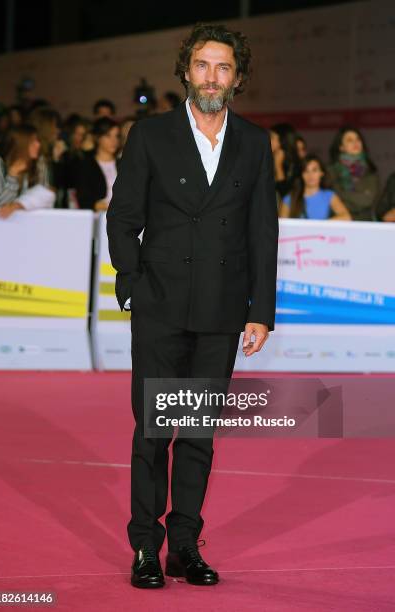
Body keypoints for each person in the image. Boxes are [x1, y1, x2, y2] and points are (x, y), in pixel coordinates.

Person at [106, 23, 278, 589]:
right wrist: (131, 281)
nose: (212, 76)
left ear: (237, 78)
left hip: (221, 311)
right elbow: (123, 215)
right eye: (203, 65)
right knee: (154, 430)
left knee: (198, 433)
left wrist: (261, 309)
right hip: (159, 305)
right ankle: (145, 548)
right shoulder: (151, 135)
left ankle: (185, 545)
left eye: (223, 67)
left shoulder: (254, 141)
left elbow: (262, 231)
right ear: (186, 71)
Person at [0, 124, 55, 218]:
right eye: (33, 141)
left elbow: (46, 194)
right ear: (22, 144)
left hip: (33, 219)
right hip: (1, 222)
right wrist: (12, 176)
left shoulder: (39, 162)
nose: (38, 144)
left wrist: (17, 206)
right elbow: (2, 205)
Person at [327, 125, 379, 221]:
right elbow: (330, 198)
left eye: (358, 139)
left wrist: (341, 194)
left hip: (365, 223)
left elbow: (367, 200)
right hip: (340, 222)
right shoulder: (331, 171)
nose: (355, 143)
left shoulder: (370, 170)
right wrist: (359, 195)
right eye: (350, 140)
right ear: (341, 147)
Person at [280, 154, 351, 220]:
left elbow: (346, 217)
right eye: (306, 171)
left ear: (321, 173)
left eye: (314, 170)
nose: (310, 175)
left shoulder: (329, 195)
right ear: (301, 175)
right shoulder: (290, 198)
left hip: (320, 233)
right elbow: (281, 226)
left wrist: (320, 226)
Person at [76, 117, 120, 211]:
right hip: (98, 217)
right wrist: (97, 205)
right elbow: (83, 198)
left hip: (122, 216)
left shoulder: (123, 163)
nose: (114, 141)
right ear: (97, 138)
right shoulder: (86, 165)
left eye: (116, 136)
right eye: (108, 135)